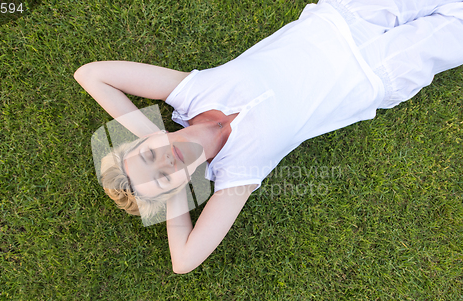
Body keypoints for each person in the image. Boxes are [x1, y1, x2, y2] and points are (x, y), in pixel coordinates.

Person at [74, 0, 463, 274]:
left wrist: (154, 134)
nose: (165, 161)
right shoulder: (235, 175)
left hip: (343, 18)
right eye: (163, 178)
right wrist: (176, 195)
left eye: (147, 156)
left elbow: (89, 74)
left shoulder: (189, 92)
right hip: (379, 73)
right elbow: (184, 261)